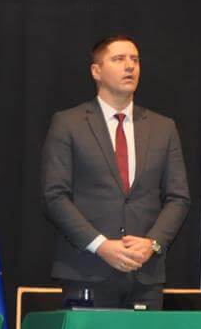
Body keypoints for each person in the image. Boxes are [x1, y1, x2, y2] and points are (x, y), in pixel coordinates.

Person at [40, 35, 191, 310]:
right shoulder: (68, 123)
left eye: (135, 60)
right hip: (86, 270)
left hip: (145, 275)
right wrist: (100, 245)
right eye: (119, 59)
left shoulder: (163, 127)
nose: (129, 66)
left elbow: (178, 198)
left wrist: (152, 244)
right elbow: (54, 196)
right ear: (96, 71)